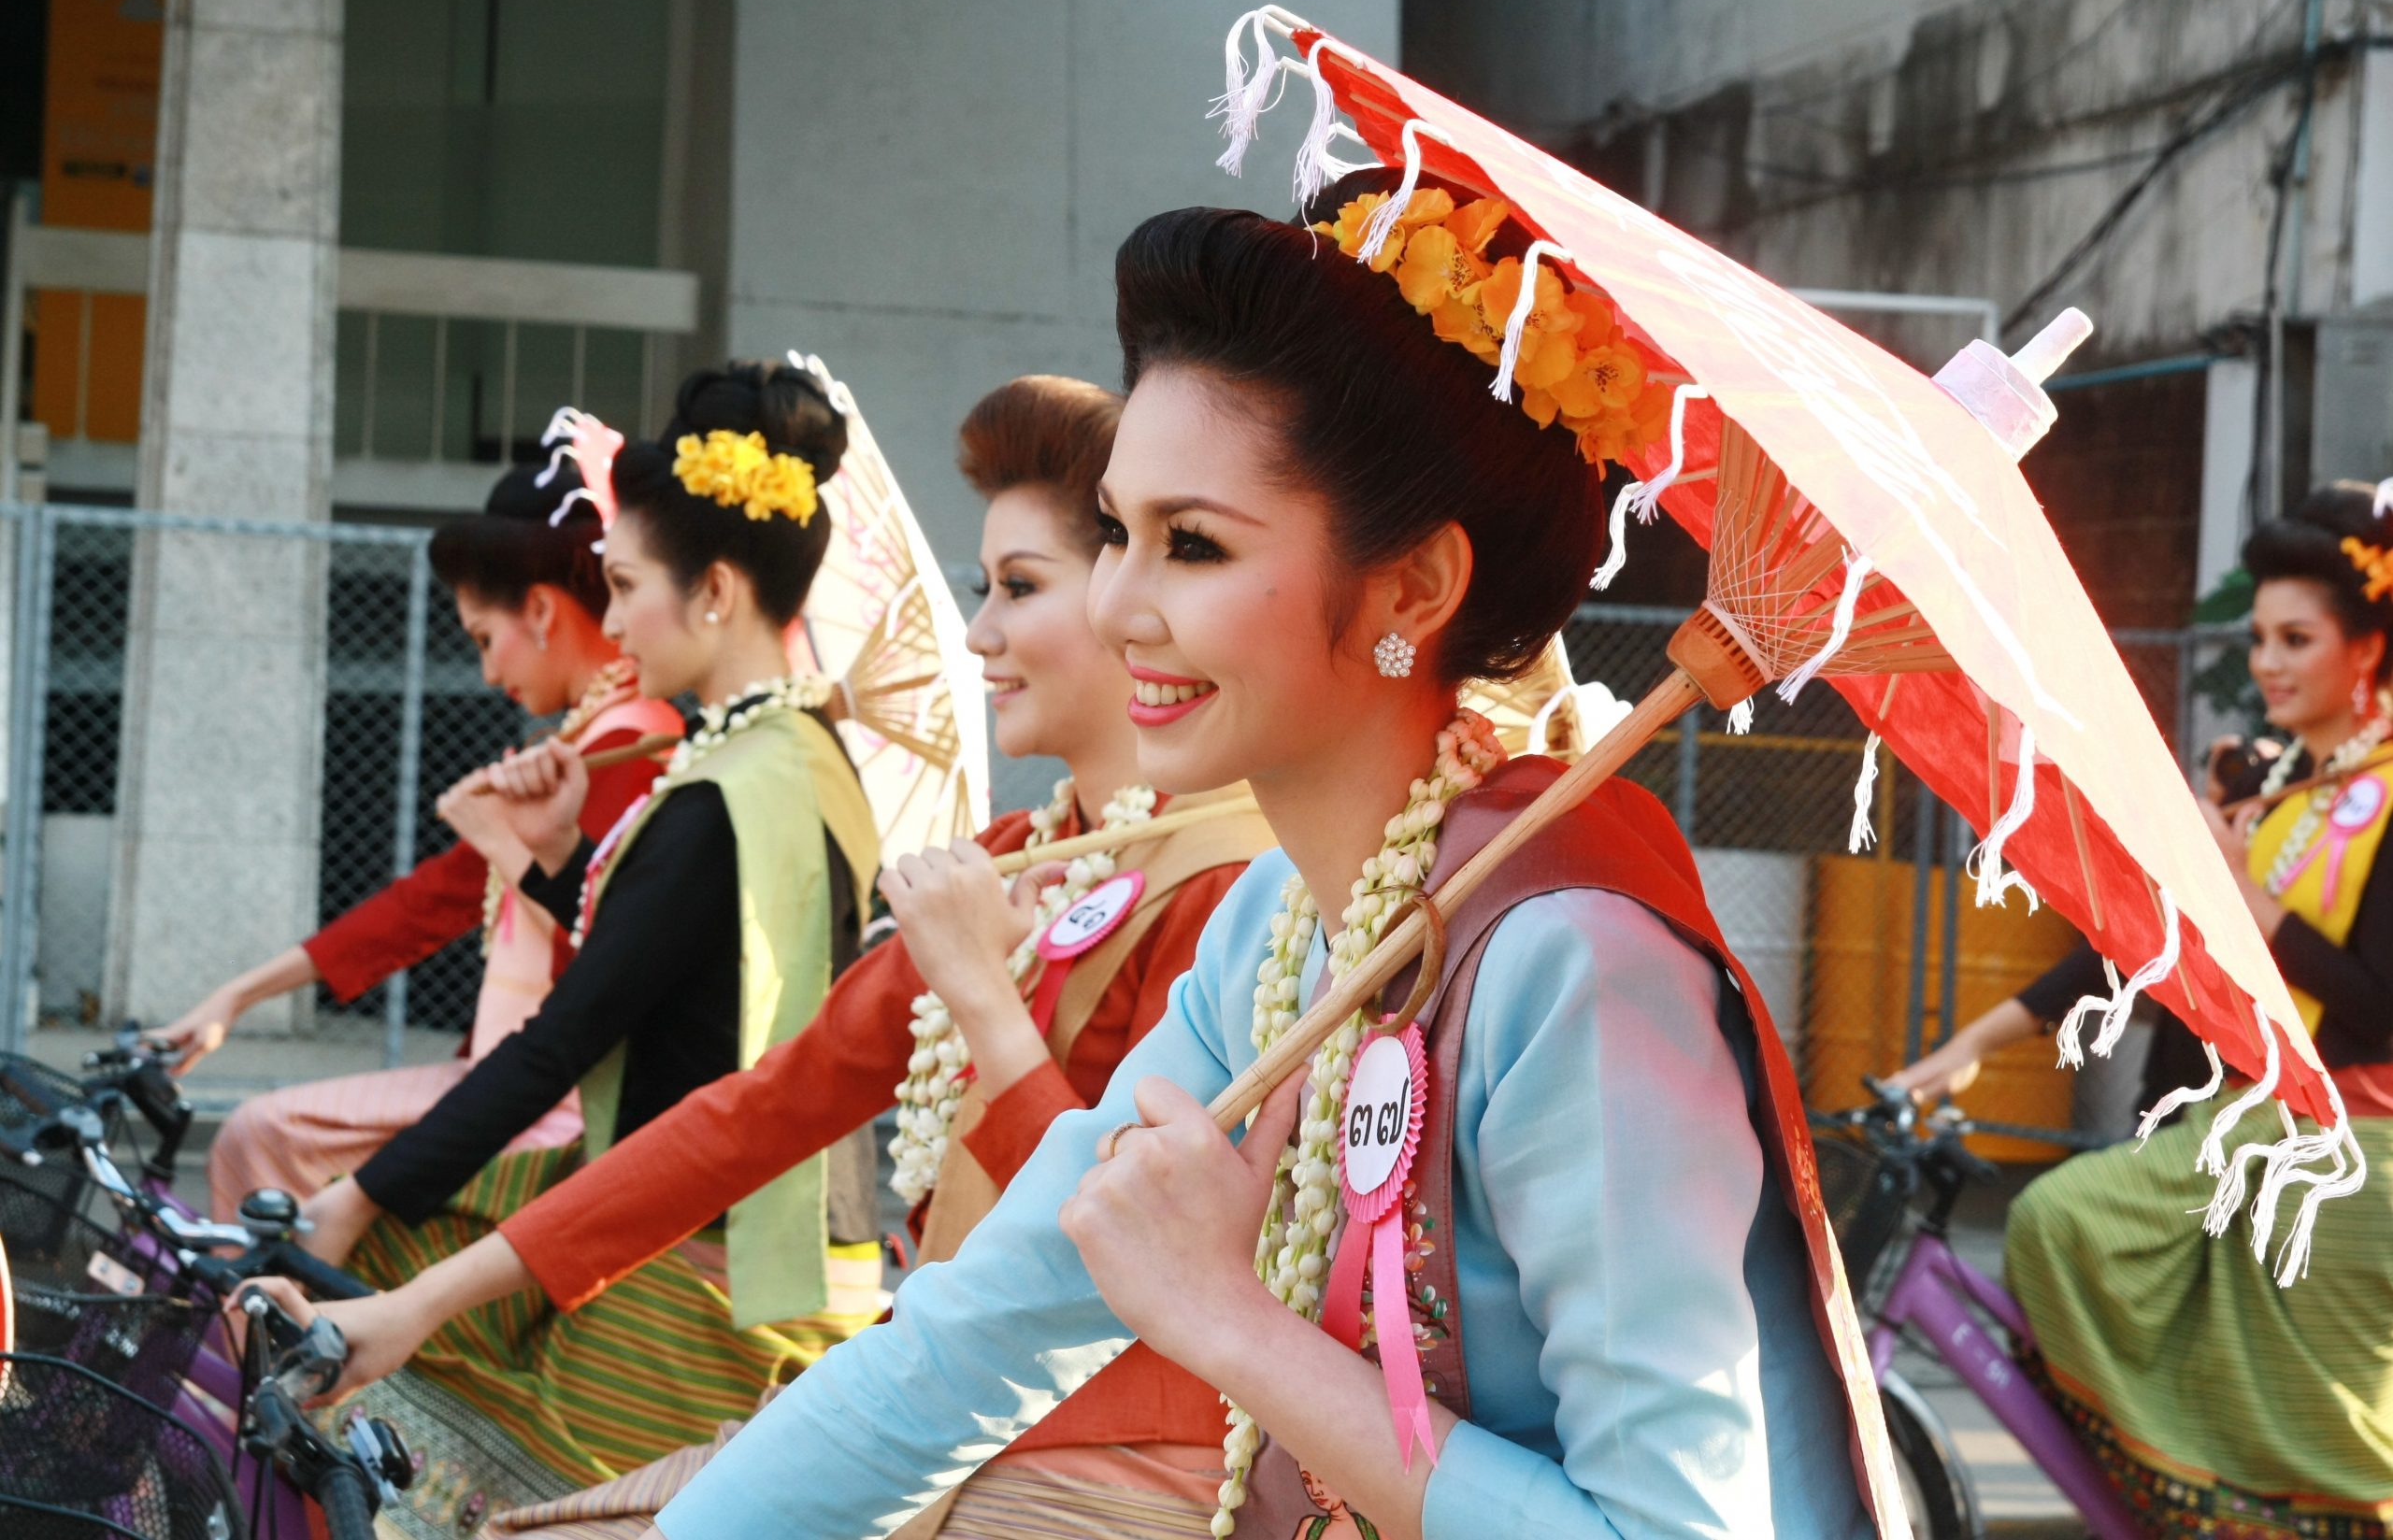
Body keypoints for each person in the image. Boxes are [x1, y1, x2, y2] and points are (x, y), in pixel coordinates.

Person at [645, 181, 1889, 1536]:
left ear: (1414, 588)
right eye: (1117, 533)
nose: (1118, 606)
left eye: (1193, 545)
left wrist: (1232, 1323)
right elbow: (968, 1343)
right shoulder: (1282, 926)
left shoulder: (1574, 963)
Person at [276, 373, 1276, 1539]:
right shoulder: (1010, 855)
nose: (979, 631)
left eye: (1020, 587)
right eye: (979, 587)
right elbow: (758, 1107)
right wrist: (416, 1304)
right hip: (932, 1391)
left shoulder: (1231, 883)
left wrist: (985, 1006)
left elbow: (1130, 1250)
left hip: (1095, 1452)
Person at [260, 361, 884, 1539]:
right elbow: (669, 982)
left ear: (712, 592)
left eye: (627, 583)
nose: (616, 616)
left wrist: (351, 1200)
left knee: (392, 1395)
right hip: (725, 1214)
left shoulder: (727, 791)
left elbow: (568, 1035)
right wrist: (545, 856)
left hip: (719, 1269)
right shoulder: (787, 760)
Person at [1920, 484, 2393, 1538]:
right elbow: (2141, 953)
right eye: (2258, 635)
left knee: (2330, 1483)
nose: (2265, 661)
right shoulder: (2273, 790)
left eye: (2295, 637)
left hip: (2353, 1155)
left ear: (2365, 651)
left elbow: (2379, 1011)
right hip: (2260, 1132)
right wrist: (1965, 1043)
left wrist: (2252, 900)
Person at [163, 454, 680, 1223]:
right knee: (266, 1148)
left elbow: (608, 957)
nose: (482, 671)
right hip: (525, 1076)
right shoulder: (594, 742)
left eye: (481, 636)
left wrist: (505, 842)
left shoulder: (636, 745)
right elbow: (429, 900)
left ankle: (279, 1342)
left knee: (258, 1139)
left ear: (540, 610)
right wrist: (238, 994)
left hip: (559, 1097)